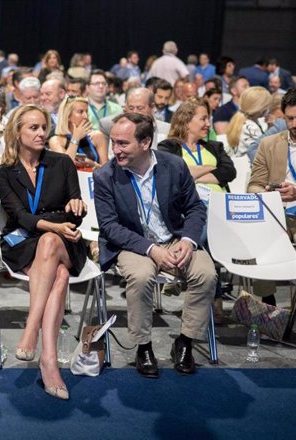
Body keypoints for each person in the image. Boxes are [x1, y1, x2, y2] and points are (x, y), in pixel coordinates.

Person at [94, 113, 216, 378]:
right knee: (140, 276)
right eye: (113, 142)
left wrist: (188, 239)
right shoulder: (105, 176)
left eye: (123, 143)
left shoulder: (174, 166)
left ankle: (184, 342)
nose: (115, 150)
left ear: (145, 142)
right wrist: (152, 250)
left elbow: (195, 207)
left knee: (206, 275)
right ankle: (143, 346)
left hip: (174, 237)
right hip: (132, 241)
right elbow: (110, 227)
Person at [0, 105, 87, 399]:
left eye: (43, 127)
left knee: (49, 242)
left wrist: (75, 208)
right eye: (33, 128)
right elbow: (20, 216)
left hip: (64, 240)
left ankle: (30, 327)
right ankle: (49, 362)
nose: (41, 133)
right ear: (17, 132)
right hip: (22, 242)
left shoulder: (62, 162)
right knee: (58, 274)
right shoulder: (4, 172)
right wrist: (55, 224)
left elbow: (76, 212)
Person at [157, 97, 236, 324]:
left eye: (208, 119)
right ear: (186, 120)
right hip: (189, 208)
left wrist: (195, 172)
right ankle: (215, 305)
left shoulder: (214, 146)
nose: (208, 124)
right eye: (203, 118)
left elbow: (228, 172)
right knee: (204, 228)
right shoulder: (168, 146)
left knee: (208, 226)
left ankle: (178, 265)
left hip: (221, 210)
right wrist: (209, 168)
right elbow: (175, 172)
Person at [246, 89, 296, 303]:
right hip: (278, 214)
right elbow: (254, 185)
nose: (294, 124)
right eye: (290, 118)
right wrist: (269, 194)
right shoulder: (269, 144)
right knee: (258, 229)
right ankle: (268, 302)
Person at [100, 87, 171, 151]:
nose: (135, 112)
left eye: (140, 108)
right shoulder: (117, 128)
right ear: (125, 108)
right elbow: (112, 158)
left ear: (152, 108)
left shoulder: (167, 130)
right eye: (131, 108)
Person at [49, 97, 107, 170]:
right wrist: (76, 138)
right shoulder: (56, 141)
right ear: (68, 116)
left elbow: (107, 171)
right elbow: (64, 167)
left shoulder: (97, 136)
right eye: (80, 112)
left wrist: (93, 165)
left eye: (86, 112)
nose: (85, 116)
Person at [226, 86, 271, 159]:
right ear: (261, 107)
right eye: (267, 105)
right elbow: (264, 152)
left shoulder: (243, 120)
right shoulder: (251, 127)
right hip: (248, 167)